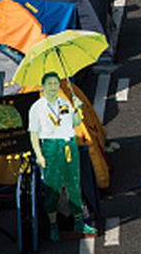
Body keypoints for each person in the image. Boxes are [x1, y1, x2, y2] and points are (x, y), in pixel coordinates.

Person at [28, 72, 97, 241]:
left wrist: (77, 108)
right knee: (53, 188)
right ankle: (54, 226)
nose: (53, 87)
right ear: (43, 87)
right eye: (50, 84)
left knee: (73, 184)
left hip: (68, 145)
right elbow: (34, 133)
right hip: (51, 147)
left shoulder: (64, 102)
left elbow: (76, 123)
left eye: (55, 83)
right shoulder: (37, 108)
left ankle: (79, 221)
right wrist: (39, 154)